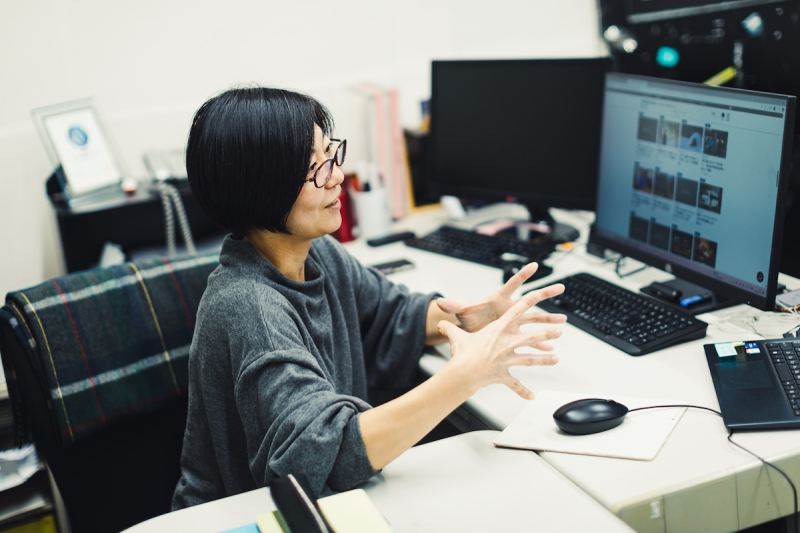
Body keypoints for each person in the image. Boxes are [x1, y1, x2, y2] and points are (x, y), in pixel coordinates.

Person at [171, 86, 567, 509]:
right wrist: (465, 375)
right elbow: (320, 457)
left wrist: (471, 317)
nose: (338, 174)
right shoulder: (250, 307)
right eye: (315, 167)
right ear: (261, 188)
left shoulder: (316, 253)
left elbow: (389, 313)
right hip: (241, 517)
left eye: (331, 154)